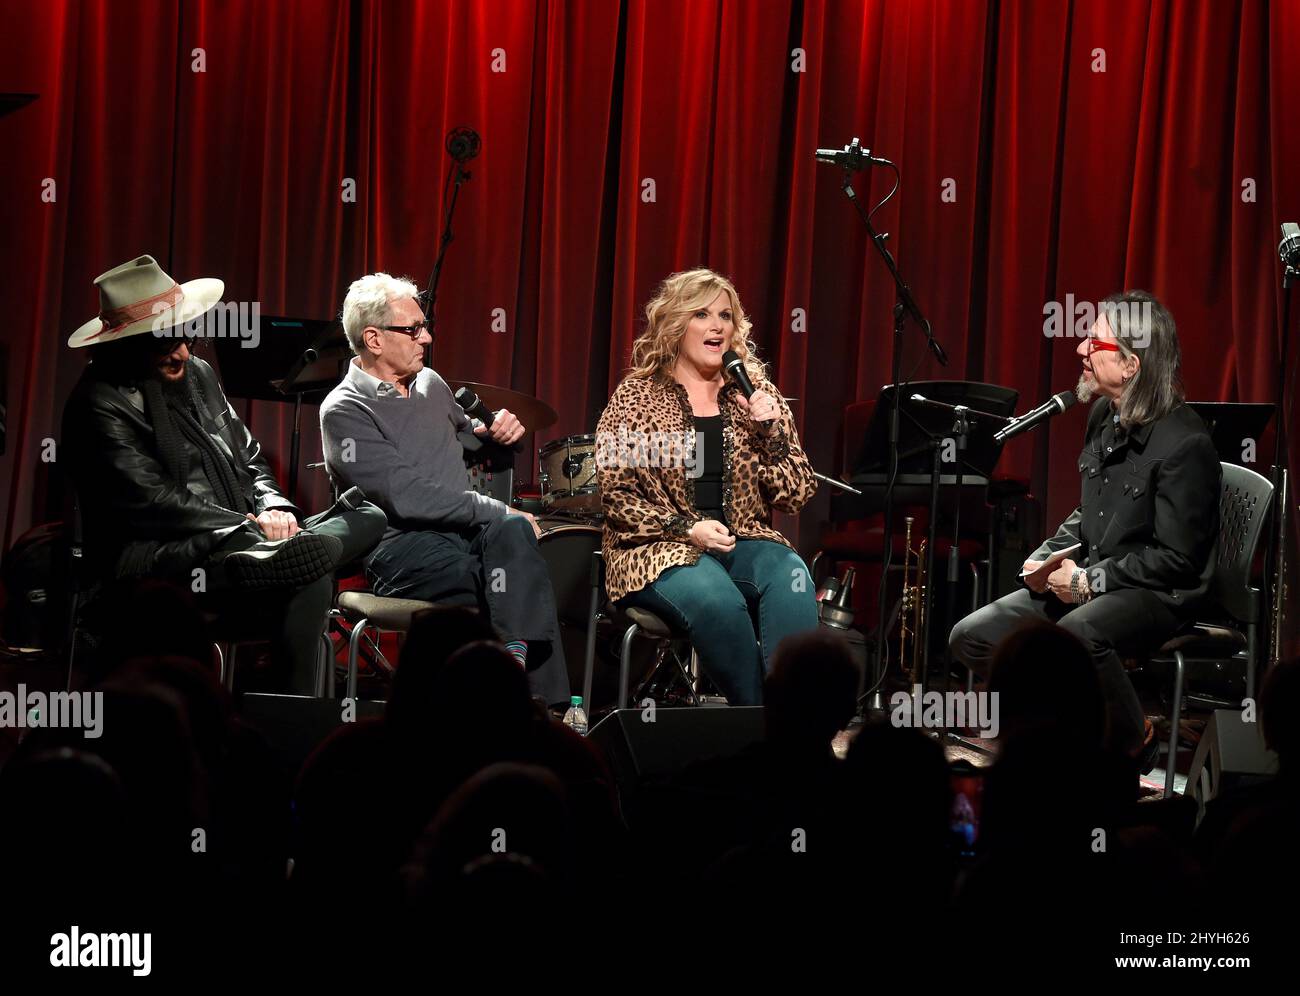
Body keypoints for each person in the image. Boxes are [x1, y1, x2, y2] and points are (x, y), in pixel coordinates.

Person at [62, 255, 386, 693]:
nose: (182, 350)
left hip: (238, 535)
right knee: (309, 575)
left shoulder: (198, 373)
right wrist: (244, 525)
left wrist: (275, 508)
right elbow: (154, 502)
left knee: (371, 516)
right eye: (165, 342)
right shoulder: (97, 402)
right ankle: (289, 725)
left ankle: (280, 551)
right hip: (160, 556)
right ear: (128, 345)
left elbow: (248, 455)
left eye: (187, 336)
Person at [949, 290, 1221, 764]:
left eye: (1094, 343)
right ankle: (1070, 727)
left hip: (1158, 592)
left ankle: (1133, 738)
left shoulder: (1185, 444)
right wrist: (1044, 558)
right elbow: (1089, 510)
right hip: (1098, 573)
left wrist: (1089, 580)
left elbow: (1177, 559)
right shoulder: (1101, 414)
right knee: (971, 636)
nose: (1080, 350)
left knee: (1076, 635)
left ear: (1131, 365)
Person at [319, 272, 569, 705]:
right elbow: (405, 493)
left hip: (465, 537)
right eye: (414, 329)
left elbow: (467, 437)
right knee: (513, 583)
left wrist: (495, 430)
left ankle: (517, 678)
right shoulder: (344, 410)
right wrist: (494, 509)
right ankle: (537, 707)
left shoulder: (431, 385)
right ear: (374, 339)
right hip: (404, 549)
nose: (427, 337)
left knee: (515, 537)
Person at [596, 268, 819, 705]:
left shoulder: (754, 397)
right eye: (702, 314)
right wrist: (687, 530)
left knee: (791, 575)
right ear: (677, 325)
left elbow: (796, 494)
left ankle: (795, 723)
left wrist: (770, 432)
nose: (717, 325)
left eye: (725, 315)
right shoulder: (639, 397)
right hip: (656, 548)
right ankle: (764, 727)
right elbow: (618, 499)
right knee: (716, 599)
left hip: (741, 542)